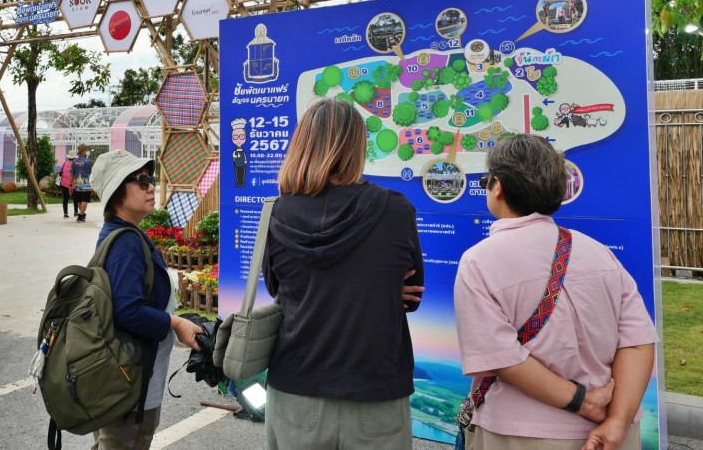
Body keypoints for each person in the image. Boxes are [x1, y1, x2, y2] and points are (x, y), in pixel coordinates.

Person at [454, 135, 657, 450]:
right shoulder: (600, 253)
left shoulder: (479, 261)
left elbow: (502, 357)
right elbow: (638, 342)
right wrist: (617, 420)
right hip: (611, 435)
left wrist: (582, 401)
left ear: (497, 187)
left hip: (521, 435)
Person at [262, 98, 424, 450]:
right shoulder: (395, 210)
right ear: (357, 146)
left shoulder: (276, 214)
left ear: (302, 143)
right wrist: (379, 288)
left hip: (295, 388)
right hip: (376, 390)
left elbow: (281, 290)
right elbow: (413, 295)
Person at [87, 149, 203, 448]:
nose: (151, 186)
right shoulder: (126, 243)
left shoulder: (125, 234)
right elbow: (127, 312)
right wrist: (175, 323)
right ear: (116, 193)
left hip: (122, 380)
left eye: (150, 179)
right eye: (140, 180)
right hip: (130, 386)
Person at [71, 144, 93, 223]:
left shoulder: (74, 161)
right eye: (86, 150)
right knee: (85, 200)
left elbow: (72, 174)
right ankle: (81, 215)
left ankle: (82, 214)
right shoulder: (88, 161)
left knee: (79, 200)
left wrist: (70, 185)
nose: (86, 152)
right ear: (83, 151)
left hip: (77, 184)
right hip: (86, 184)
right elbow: (91, 173)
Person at [58, 151, 76, 219]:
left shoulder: (65, 163)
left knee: (65, 199)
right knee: (75, 198)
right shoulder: (76, 164)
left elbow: (60, 173)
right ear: (74, 157)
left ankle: (65, 213)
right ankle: (76, 212)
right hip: (73, 184)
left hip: (64, 184)